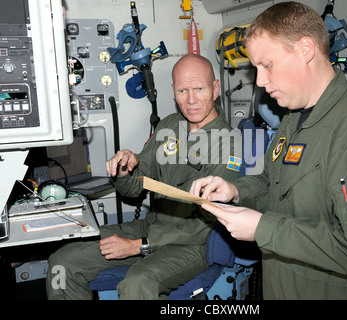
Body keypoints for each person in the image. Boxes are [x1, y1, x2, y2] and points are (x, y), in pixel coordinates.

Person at [190, 2, 347, 299]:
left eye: (266, 65)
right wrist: (234, 190)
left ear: (305, 50)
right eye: (256, 68)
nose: (260, 81)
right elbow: (272, 183)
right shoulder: (293, 118)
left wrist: (262, 229)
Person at [45, 53, 242, 299]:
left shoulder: (230, 143)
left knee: (136, 284)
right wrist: (127, 169)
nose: (190, 100)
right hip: (153, 224)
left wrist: (139, 245)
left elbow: (206, 221)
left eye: (199, 88)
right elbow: (134, 187)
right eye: (182, 91)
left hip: (193, 243)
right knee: (62, 261)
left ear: (215, 88)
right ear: (173, 91)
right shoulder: (169, 126)